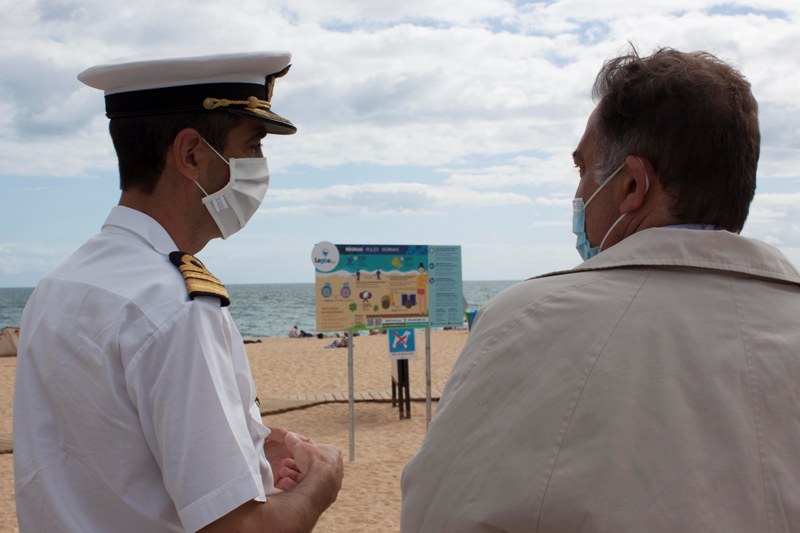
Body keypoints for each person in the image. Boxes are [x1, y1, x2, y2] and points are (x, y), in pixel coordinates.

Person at [401, 47, 800, 532]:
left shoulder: (526, 322)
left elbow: (436, 513)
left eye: (582, 170)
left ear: (632, 186)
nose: (577, 195)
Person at [13, 51, 343, 532]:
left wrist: (247, 439)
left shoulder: (59, 284)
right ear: (191, 154)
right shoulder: (176, 307)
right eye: (253, 145)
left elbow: (104, 440)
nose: (260, 166)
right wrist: (323, 480)